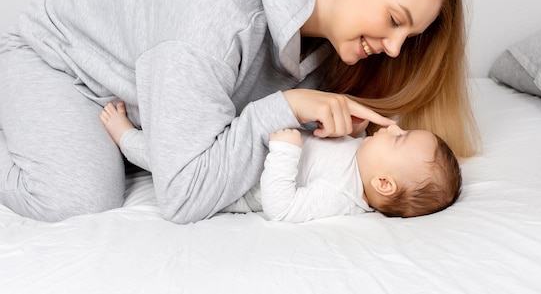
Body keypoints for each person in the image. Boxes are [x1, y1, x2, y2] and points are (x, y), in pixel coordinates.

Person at [0, 0, 478, 224]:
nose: (395, 49)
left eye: (407, 38)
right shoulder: (220, 12)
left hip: (132, 92)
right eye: (395, 21)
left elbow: (235, 127)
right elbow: (183, 195)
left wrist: (313, 120)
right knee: (77, 199)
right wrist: (285, 108)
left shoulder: (328, 43)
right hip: (57, 61)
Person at [99, 102, 461, 222]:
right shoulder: (361, 157)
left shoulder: (341, 195)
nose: (394, 125)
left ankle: (127, 139)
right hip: (249, 146)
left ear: (384, 183)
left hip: (235, 183)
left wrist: (287, 153)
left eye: (400, 138)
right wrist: (352, 130)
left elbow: (281, 209)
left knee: (174, 161)